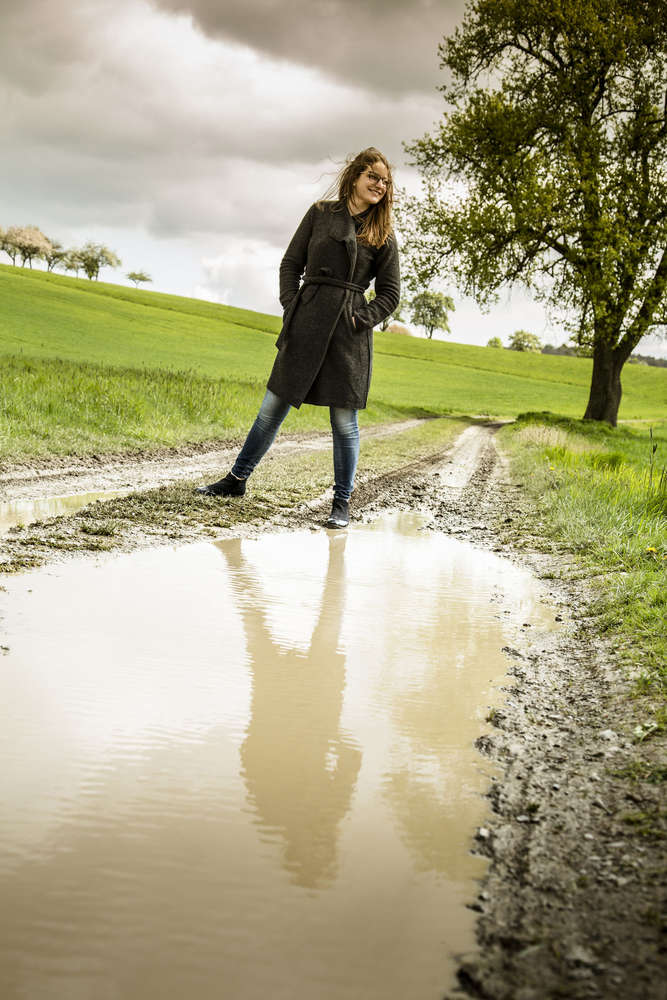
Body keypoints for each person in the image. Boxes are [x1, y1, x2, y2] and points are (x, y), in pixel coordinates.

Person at [196, 147, 401, 528]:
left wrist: (360, 319)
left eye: (385, 181)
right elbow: (291, 263)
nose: (380, 184)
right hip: (307, 320)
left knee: (344, 423)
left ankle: (341, 504)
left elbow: (390, 294)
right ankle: (236, 480)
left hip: (348, 334)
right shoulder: (321, 215)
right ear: (355, 176)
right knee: (272, 408)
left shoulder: (383, 234)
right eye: (373, 176)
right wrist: (293, 305)